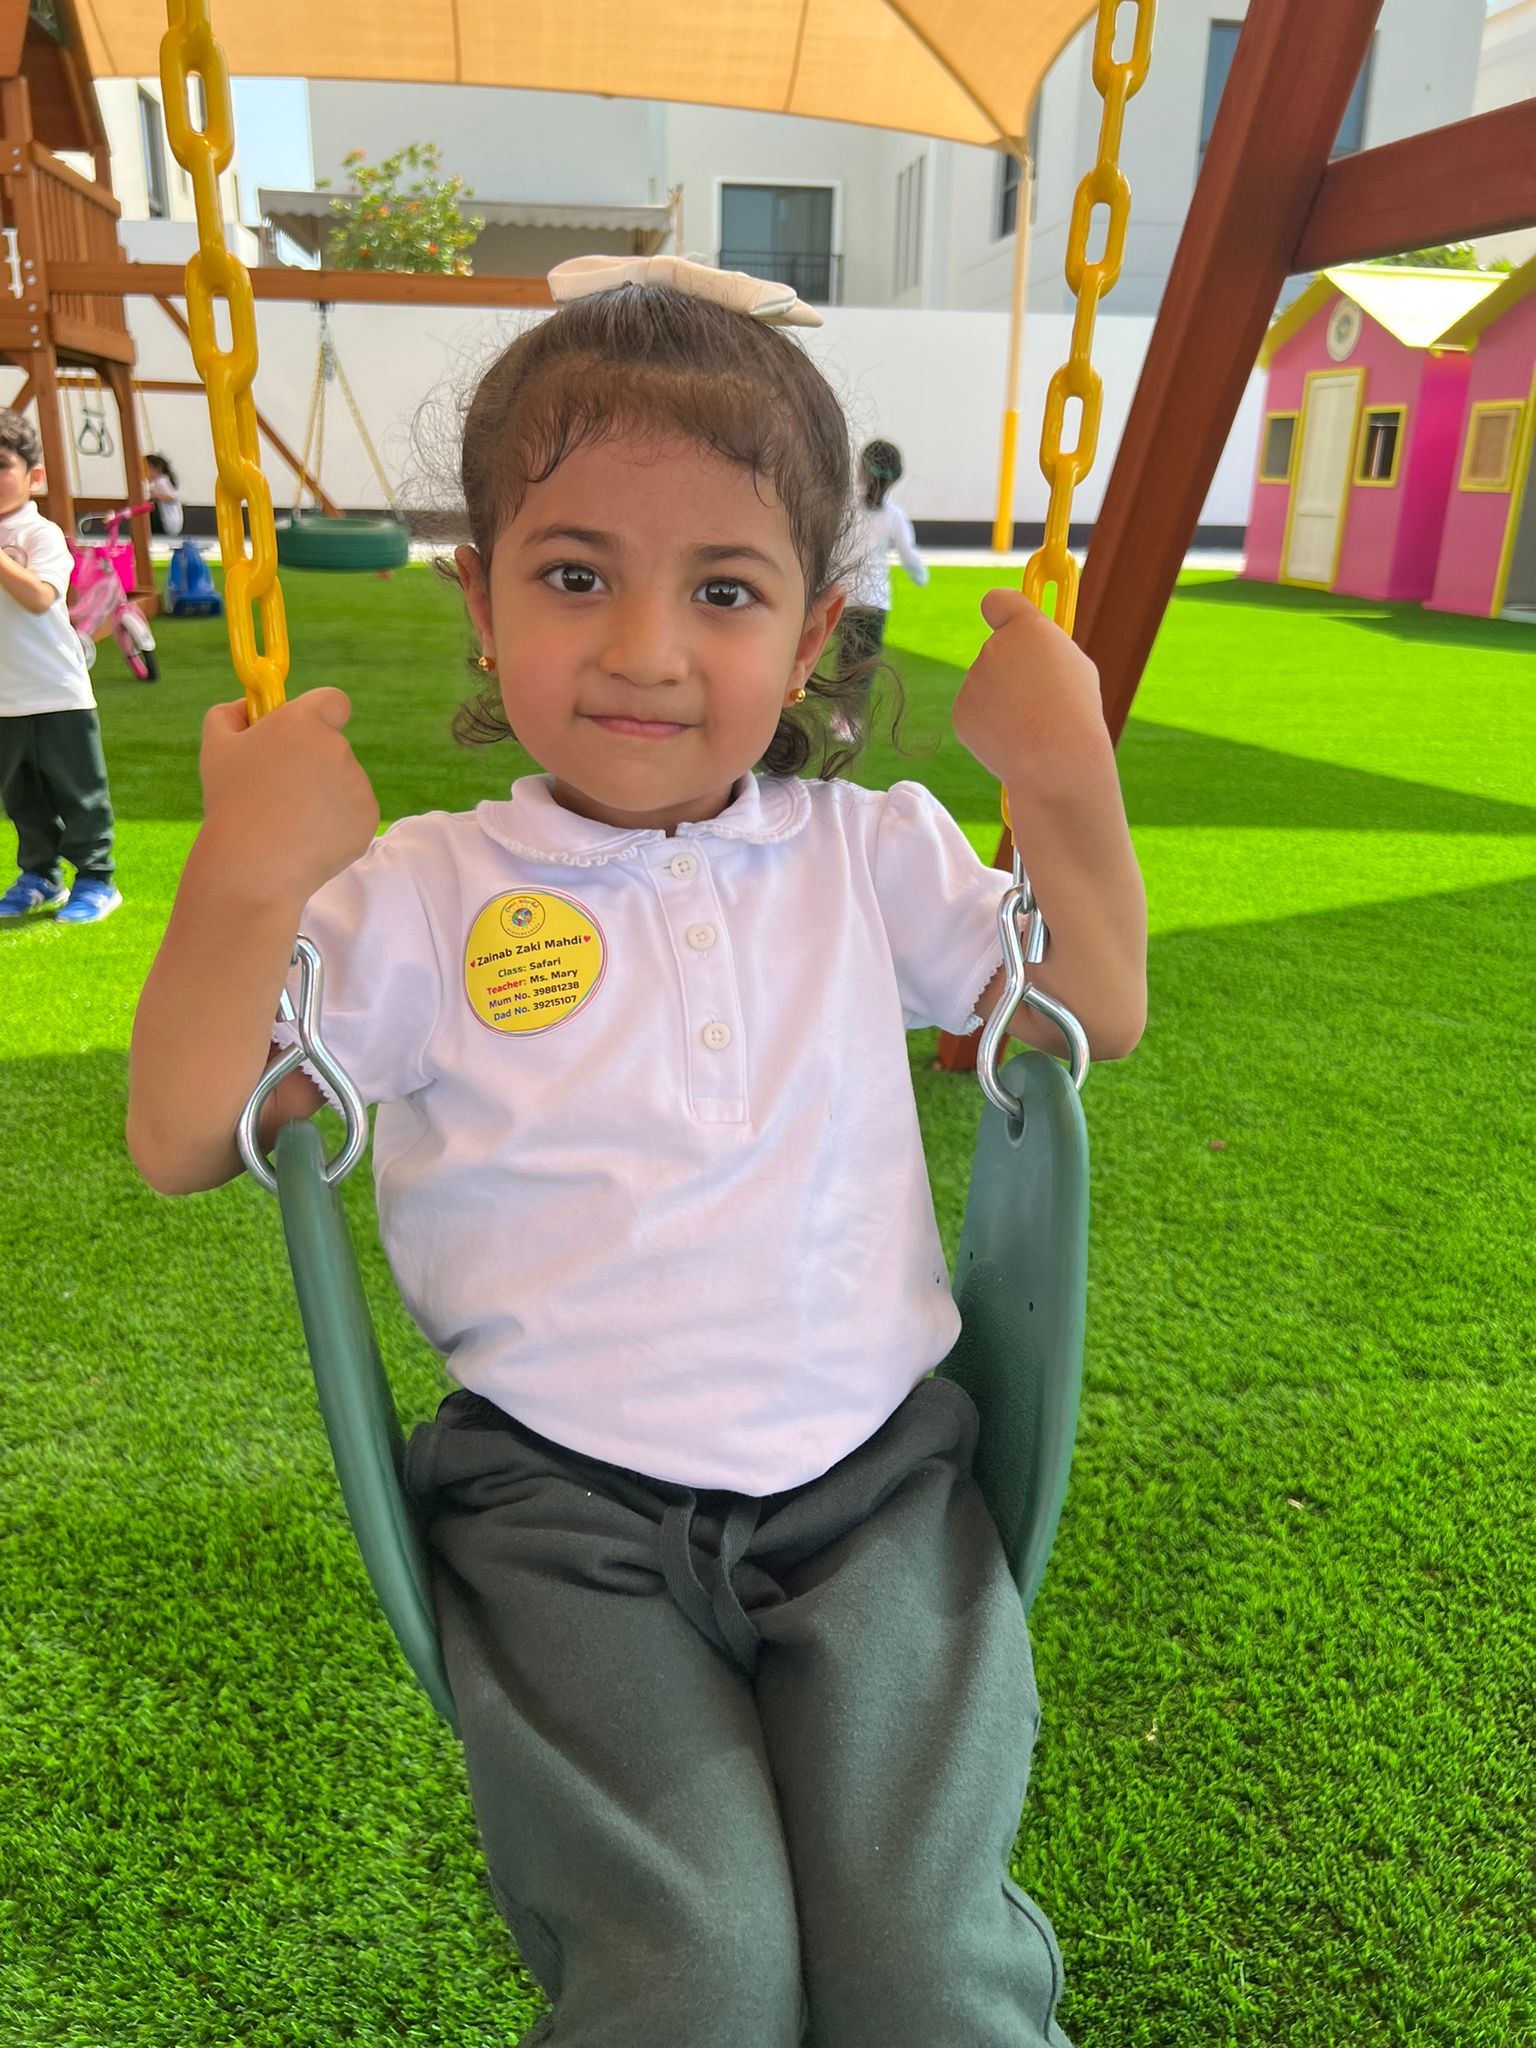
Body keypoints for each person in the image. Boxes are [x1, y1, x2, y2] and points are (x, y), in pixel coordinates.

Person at [127, 255, 1147, 2048]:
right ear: (481, 599)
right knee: (694, 1971)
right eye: (576, 575)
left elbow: (1088, 1013)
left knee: (925, 1972)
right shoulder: (428, 896)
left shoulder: (868, 852)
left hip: (880, 1493)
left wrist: (1065, 783)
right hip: (559, 1514)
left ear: (813, 634)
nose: (645, 649)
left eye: (724, 589)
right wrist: (245, 877)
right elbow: (182, 1134)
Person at [0, 410, 122, 925]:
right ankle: (41, 875)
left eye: (1, 465)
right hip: (5, 697)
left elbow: (38, 597)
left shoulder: (40, 533)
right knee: (22, 796)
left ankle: (96, 879)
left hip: (56, 691)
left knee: (79, 792)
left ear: (34, 477)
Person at [836, 437, 928, 698]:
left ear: (861, 470)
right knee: (863, 666)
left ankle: (841, 712)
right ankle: (848, 715)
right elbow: (908, 554)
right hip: (875, 602)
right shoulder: (894, 516)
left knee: (844, 658)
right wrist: (921, 577)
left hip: (844, 597)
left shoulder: (844, 507)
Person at [144, 452, 183, 537]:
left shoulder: (161, 481)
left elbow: (173, 498)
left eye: (147, 468)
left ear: (157, 469)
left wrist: (156, 496)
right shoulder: (155, 482)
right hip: (171, 524)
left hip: (167, 524)